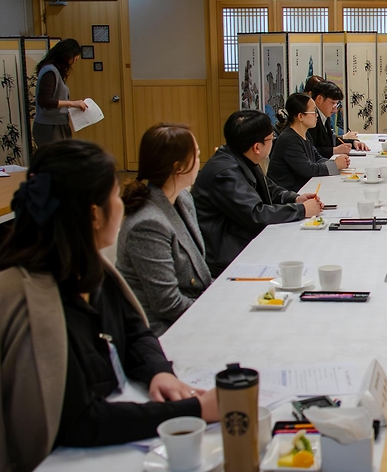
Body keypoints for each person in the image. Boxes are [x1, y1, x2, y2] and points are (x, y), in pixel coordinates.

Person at [0, 141, 219, 471]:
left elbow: (136, 331)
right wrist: (194, 411)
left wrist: (157, 371)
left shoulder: (87, 267)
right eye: (115, 196)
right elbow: (77, 420)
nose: (123, 205)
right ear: (93, 214)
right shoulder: (31, 299)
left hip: (118, 419)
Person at [192, 110, 323, 277]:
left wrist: (295, 198)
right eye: (270, 139)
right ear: (257, 147)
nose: (272, 142)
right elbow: (256, 214)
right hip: (228, 256)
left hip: (242, 240)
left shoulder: (241, 157)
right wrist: (302, 210)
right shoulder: (226, 173)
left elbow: (268, 187)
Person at [116, 124, 212, 336]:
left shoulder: (183, 199)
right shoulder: (147, 224)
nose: (200, 162)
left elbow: (200, 275)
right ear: (178, 167)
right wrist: (217, 312)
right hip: (163, 331)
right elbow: (167, 304)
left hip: (191, 308)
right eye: (196, 155)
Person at [269, 93, 350, 191]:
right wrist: (334, 166)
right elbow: (308, 169)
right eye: (313, 112)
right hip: (290, 194)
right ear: (300, 116)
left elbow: (317, 158)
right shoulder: (289, 140)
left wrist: (336, 162)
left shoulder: (305, 134)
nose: (316, 115)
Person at [33, 38, 89, 147]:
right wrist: (72, 103)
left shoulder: (54, 71)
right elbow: (44, 101)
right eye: (75, 55)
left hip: (57, 124)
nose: (76, 59)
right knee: (56, 161)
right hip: (49, 126)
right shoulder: (50, 71)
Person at [303, 77, 369, 156]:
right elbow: (309, 151)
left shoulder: (324, 114)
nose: (335, 109)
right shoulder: (310, 117)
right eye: (333, 103)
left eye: (336, 104)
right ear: (319, 99)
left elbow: (331, 140)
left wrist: (353, 142)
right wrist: (334, 150)